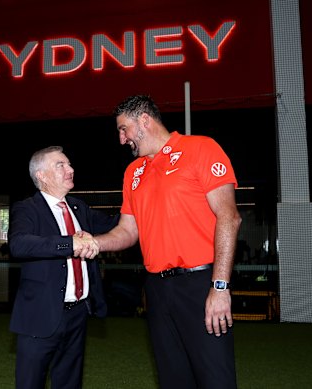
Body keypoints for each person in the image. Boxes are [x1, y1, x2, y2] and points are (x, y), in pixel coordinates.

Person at [92, 95, 241, 389]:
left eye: (124, 129)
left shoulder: (200, 148)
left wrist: (219, 286)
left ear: (144, 120)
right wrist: (94, 243)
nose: (122, 140)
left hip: (200, 284)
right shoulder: (133, 173)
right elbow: (127, 231)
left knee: (216, 379)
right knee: (173, 379)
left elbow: (229, 217)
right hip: (157, 290)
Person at [8, 145, 118, 389]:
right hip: (40, 314)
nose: (70, 169)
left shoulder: (79, 208)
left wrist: (142, 204)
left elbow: (115, 224)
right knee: (30, 383)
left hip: (78, 314)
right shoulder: (27, 208)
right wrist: (70, 243)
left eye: (69, 164)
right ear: (42, 175)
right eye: (61, 165)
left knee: (70, 382)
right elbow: (19, 244)